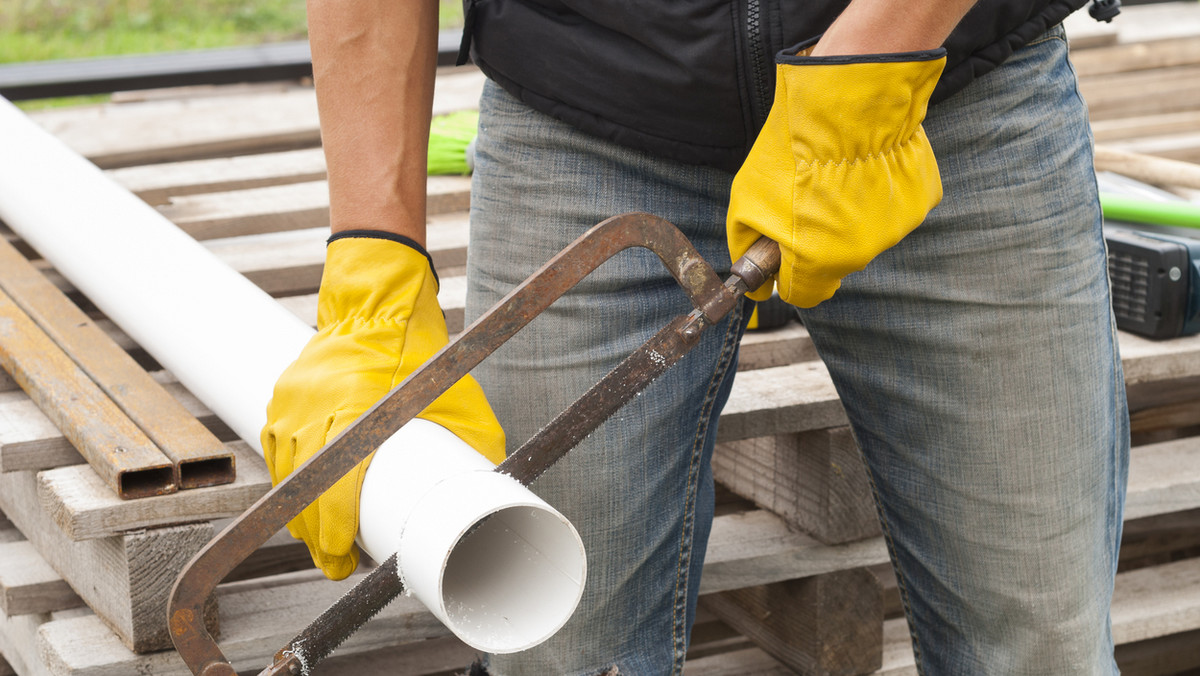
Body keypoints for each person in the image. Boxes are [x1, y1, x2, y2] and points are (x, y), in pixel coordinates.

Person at [261, 0, 1130, 673]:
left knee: (1038, 644)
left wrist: (875, 61)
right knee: (555, 641)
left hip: (945, 99)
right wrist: (374, 264)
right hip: (585, 113)